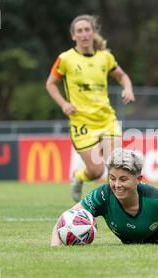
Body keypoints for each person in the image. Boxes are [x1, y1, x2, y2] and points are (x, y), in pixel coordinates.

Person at [46, 15, 135, 202]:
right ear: (73, 36)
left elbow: (122, 76)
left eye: (87, 30)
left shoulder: (105, 57)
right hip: (82, 121)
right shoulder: (65, 59)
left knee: (116, 165)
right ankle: (78, 176)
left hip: (106, 118)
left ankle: (115, 208)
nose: (84, 34)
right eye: (80, 31)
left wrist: (128, 89)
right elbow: (51, 84)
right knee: (96, 171)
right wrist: (63, 104)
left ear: (93, 33)